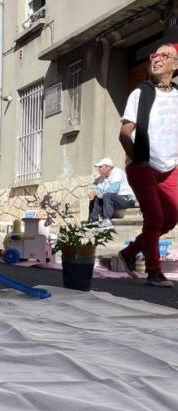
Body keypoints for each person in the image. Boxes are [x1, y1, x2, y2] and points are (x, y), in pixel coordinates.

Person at [118, 42, 178, 288]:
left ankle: (130, 252)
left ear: (176, 65)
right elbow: (124, 133)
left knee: (171, 218)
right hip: (143, 165)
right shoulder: (139, 93)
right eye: (154, 54)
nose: (156, 58)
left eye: (165, 55)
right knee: (154, 218)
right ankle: (154, 272)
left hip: (170, 166)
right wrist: (138, 159)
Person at [87, 158, 135, 228]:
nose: (98, 169)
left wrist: (97, 193)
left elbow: (112, 190)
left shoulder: (117, 172)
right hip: (113, 200)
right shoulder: (102, 177)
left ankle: (107, 220)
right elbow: (99, 189)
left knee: (107, 195)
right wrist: (94, 192)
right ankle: (94, 221)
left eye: (100, 167)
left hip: (127, 200)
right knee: (95, 197)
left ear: (108, 167)